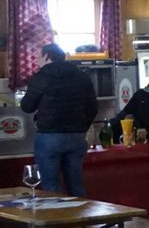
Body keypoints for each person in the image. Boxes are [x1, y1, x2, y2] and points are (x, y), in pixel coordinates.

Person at [20, 43, 97, 196]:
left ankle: (55, 212)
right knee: (76, 185)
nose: (37, 61)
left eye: (39, 57)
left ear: (47, 56)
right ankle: (81, 212)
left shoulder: (42, 76)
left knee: (51, 187)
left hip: (50, 136)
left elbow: (27, 106)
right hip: (77, 136)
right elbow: (93, 108)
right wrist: (82, 127)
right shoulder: (81, 75)